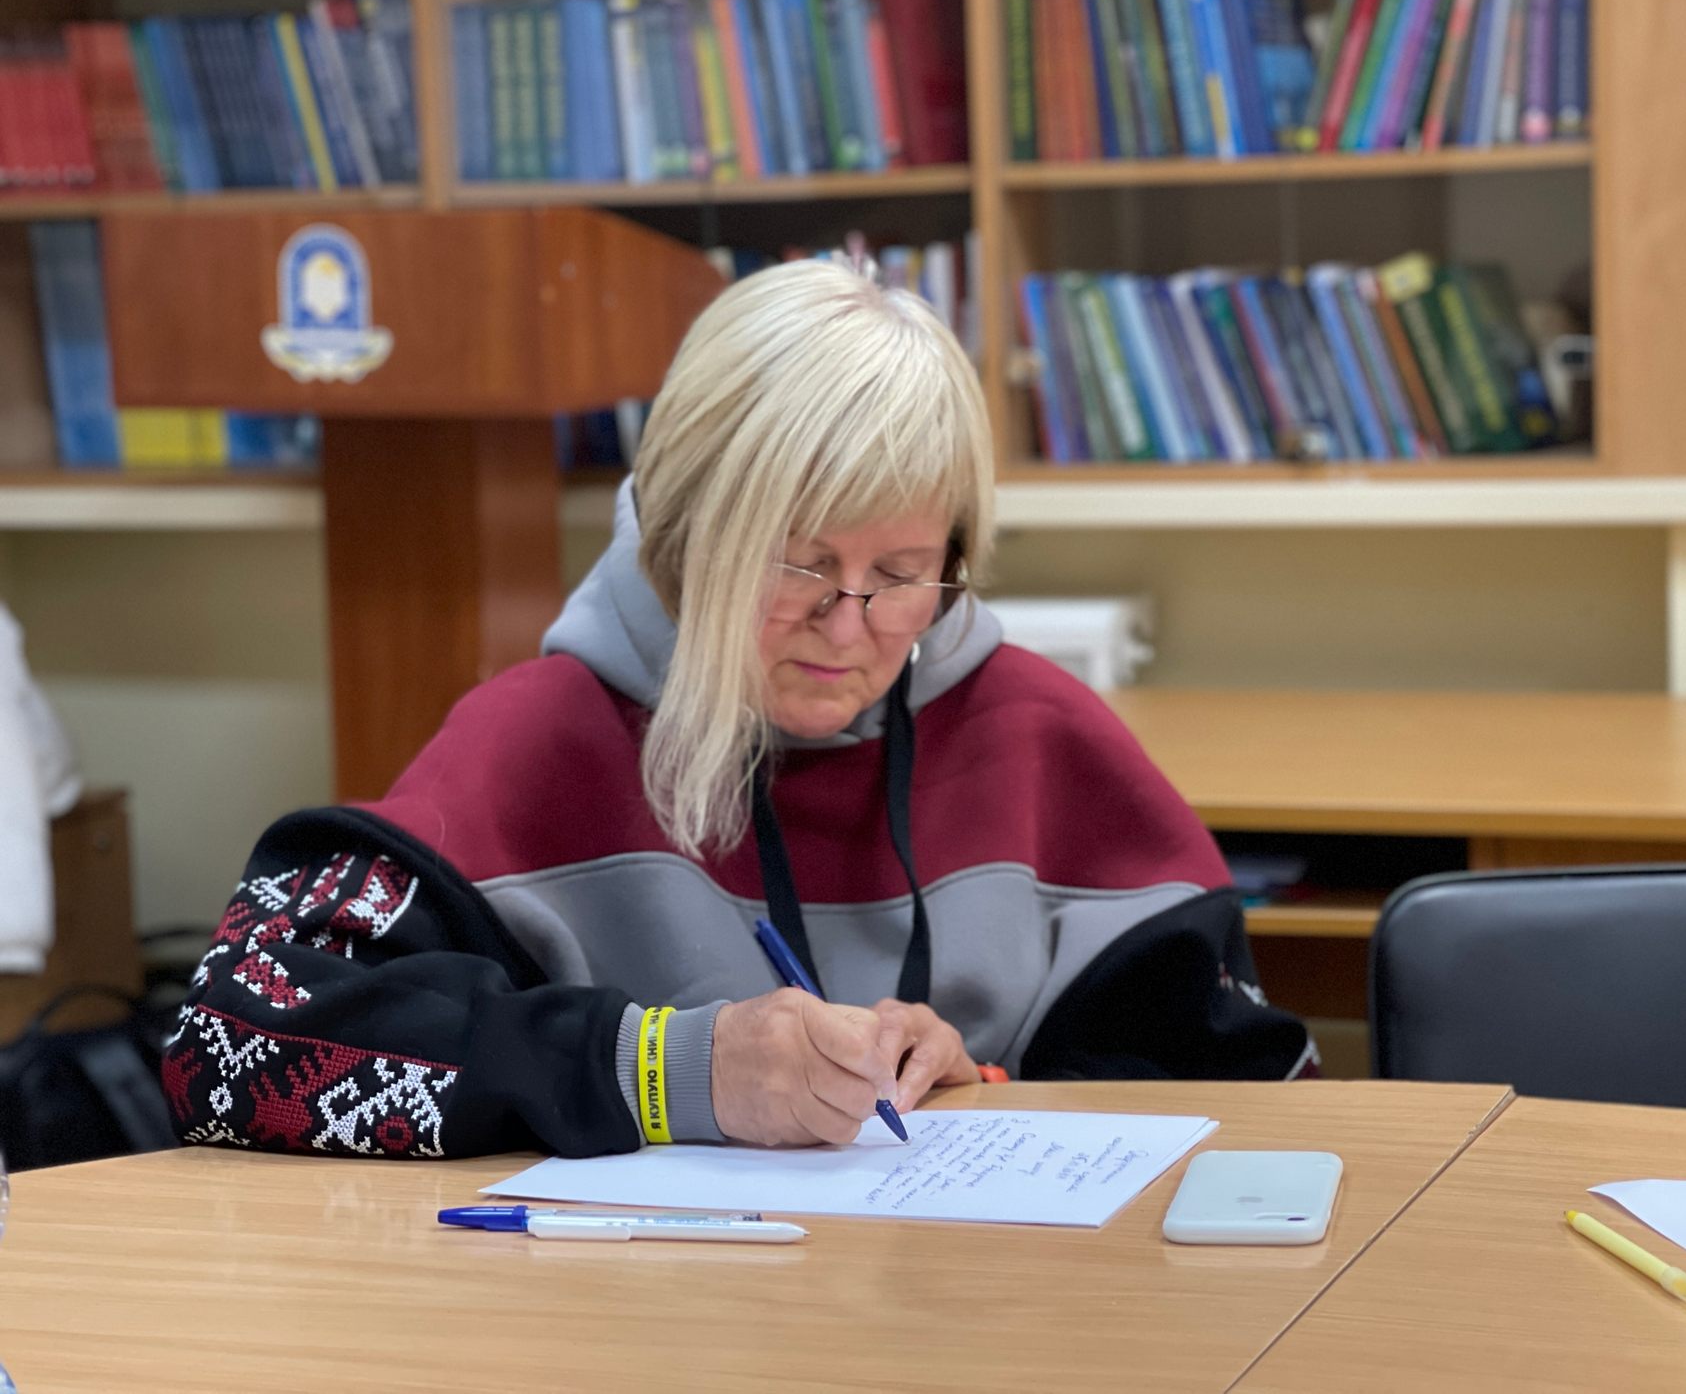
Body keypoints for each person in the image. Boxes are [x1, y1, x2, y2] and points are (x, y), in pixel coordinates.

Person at [162, 258, 1314, 1161]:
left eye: (902, 572)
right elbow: (226, 1048)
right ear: (677, 542)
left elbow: (1247, 1094)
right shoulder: (541, 740)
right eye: (796, 564)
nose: (848, 627)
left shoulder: (1036, 735)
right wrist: (666, 1069)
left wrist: (994, 1090)